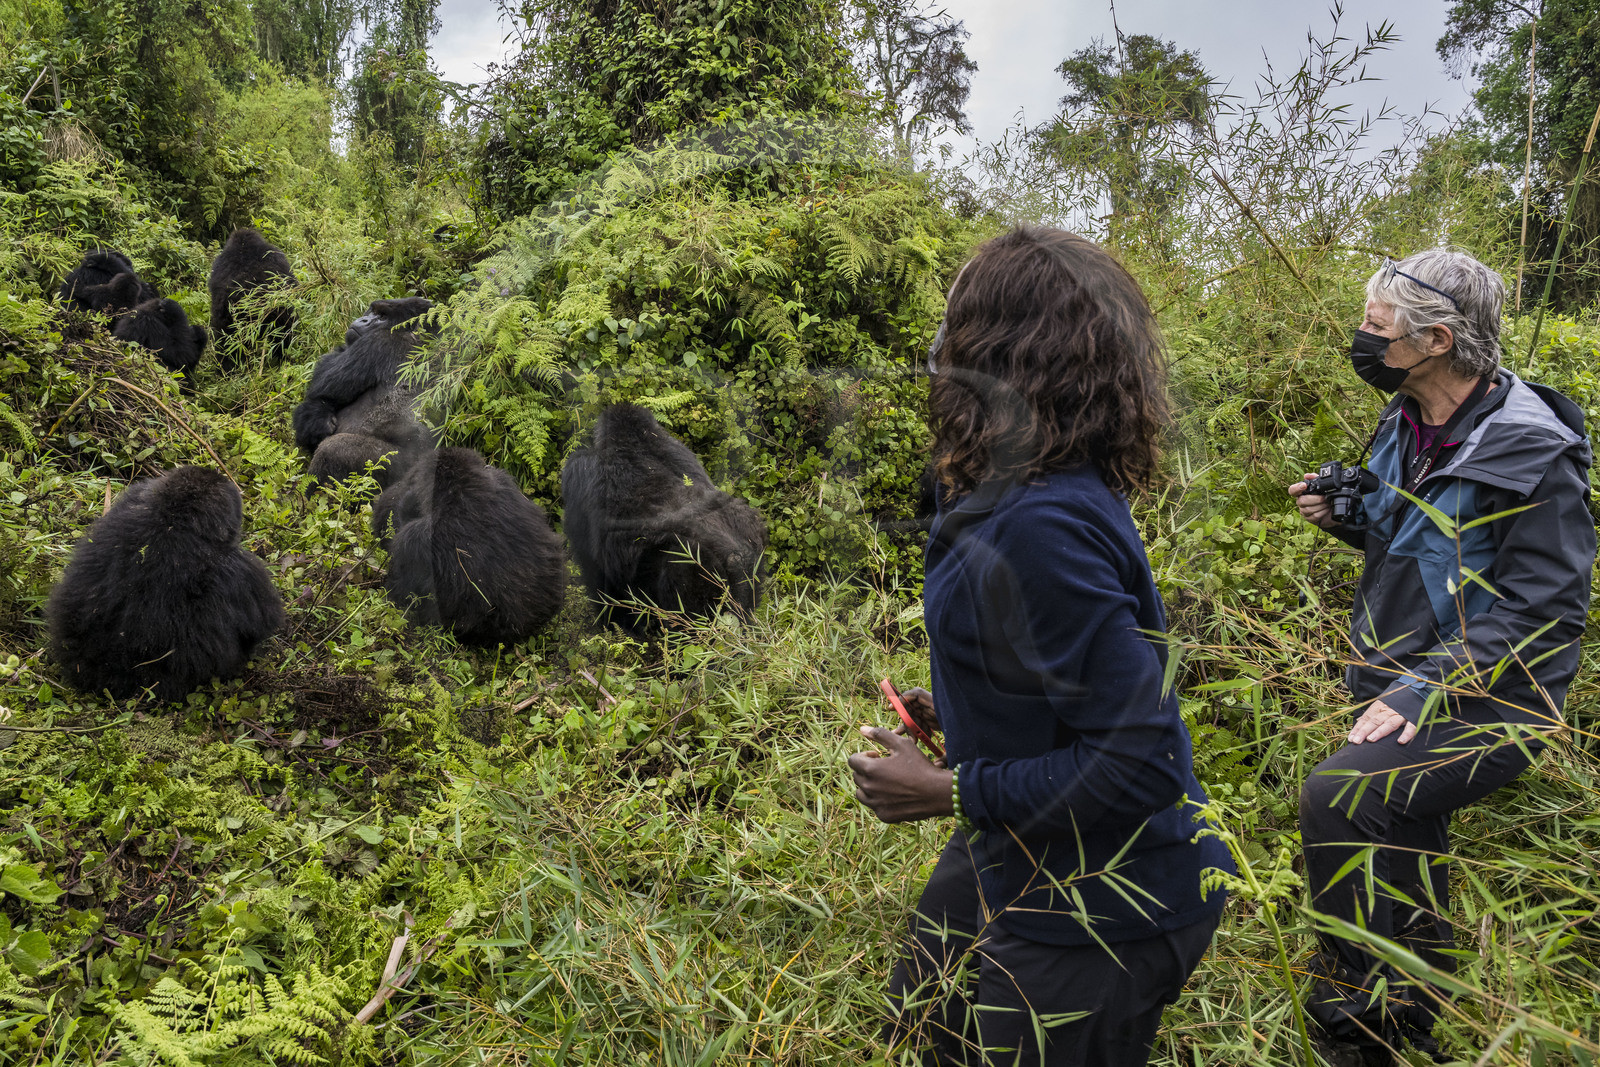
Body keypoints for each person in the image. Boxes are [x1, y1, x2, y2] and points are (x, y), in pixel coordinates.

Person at [848, 226, 1232, 1067]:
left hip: (1106, 905)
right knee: (924, 1018)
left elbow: (1141, 758)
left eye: (955, 321)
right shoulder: (1012, 480)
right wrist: (961, 699)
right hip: (1027, 853)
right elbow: (1051, 656)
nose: (937, 344)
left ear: (999, 350)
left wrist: (951, 790)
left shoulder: (1040, 521)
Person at [1288, 249, 1594, 1064]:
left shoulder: (1533, 451)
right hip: (1406, 674)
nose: (1361, 339)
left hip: (1499, 699)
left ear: (1435, 340)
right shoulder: (1408, 416)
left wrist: (1429, 686)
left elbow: (1544, 610)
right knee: (1404, 827)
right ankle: (1415, 1014)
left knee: (1340, 797)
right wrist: (1347, 511)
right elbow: (1413, 539)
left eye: (1375, 327)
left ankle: (1356, 1026)